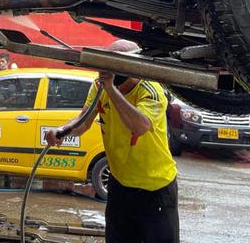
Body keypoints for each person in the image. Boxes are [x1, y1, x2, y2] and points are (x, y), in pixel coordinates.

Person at [45, 40, 179, 243]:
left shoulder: (150, 90)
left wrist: (112, 90)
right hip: (120, 184)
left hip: (155, 188)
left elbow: (139, 126)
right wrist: (62, 131)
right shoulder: (99, 87)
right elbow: (83, 121)